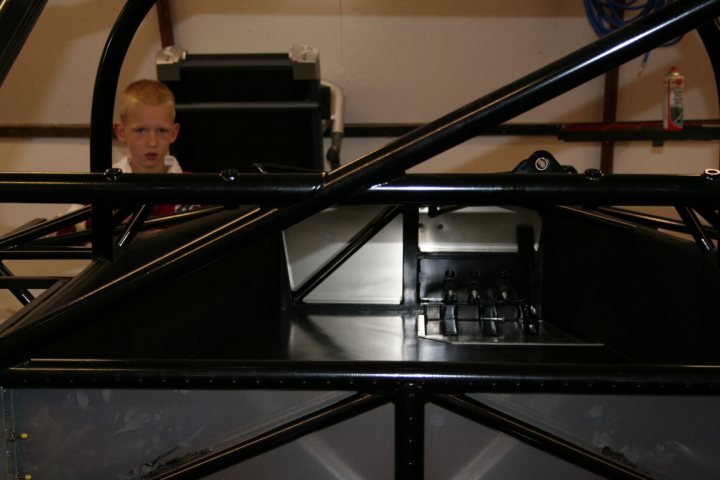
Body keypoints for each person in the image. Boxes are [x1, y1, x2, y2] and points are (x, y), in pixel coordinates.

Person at [60, 79, 186, 233]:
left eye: (161, 131)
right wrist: (111, 219)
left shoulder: (194, 188)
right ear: (120, 132)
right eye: (141, 130)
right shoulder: (104, 184)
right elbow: (62, 230)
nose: (152, 142)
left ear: (174, 133)